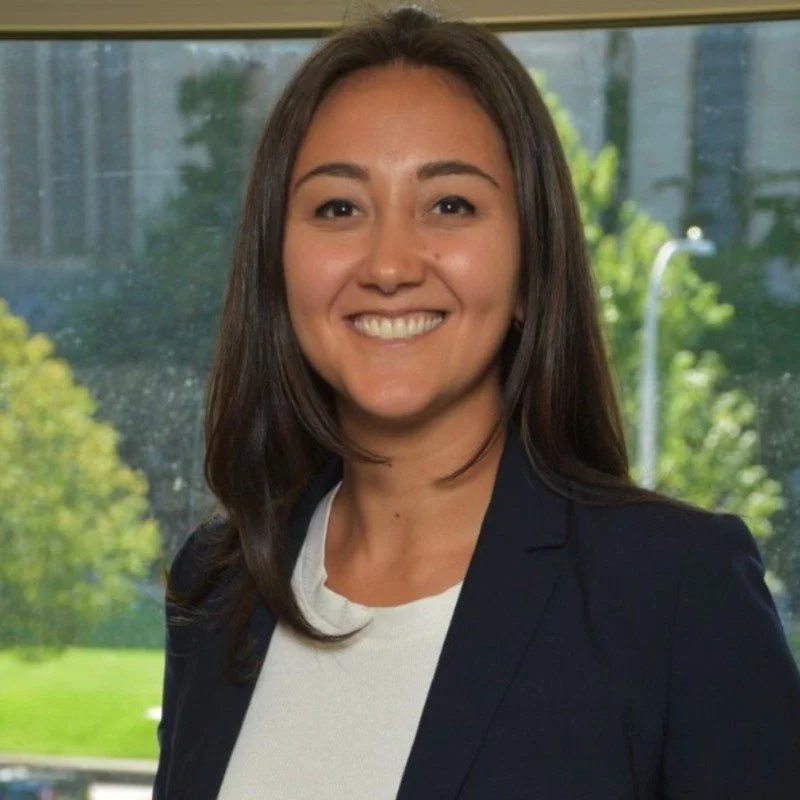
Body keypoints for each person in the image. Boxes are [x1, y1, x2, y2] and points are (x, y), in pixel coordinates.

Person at [153, 6, 800, 799]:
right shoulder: (219, 585)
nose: (389, 264)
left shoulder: (673, 593)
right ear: (278, 268)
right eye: (338, 208)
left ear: (531, 265)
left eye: (451, 205)